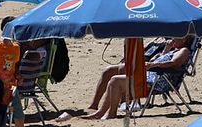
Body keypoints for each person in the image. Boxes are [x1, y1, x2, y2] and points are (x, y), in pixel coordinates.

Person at [64, 38, 193, 121]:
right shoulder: (173, 49)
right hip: (148, 76)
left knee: (115, 80)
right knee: (114, 76)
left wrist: (154, 65)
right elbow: (160, 59)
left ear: (185, 39)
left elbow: (173, 63)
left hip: (157, 82)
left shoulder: (184, 50)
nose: (173, 38)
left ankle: (110, 113)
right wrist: (167, 49)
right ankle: (100, 112)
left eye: (177, 36)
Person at [10, 37, 51, 127]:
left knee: (18, 117)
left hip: (16, 88)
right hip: (22, 87)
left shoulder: (35, 52)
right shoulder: (33, 52)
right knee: (19, 117)